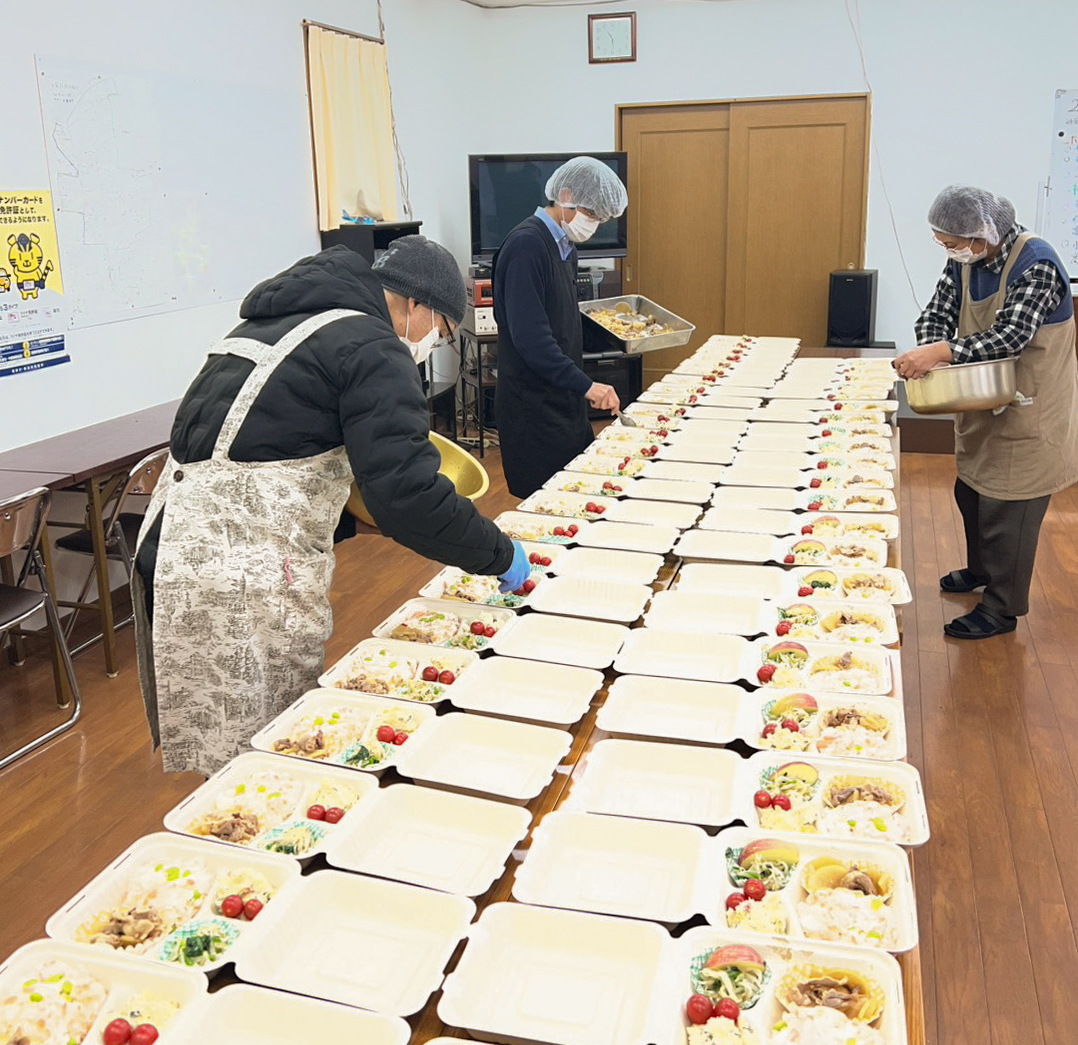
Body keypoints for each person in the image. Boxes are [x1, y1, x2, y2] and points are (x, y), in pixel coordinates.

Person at [132, 237, 531, 775]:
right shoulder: (374, 346)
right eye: (440, 332)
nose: (433, 345)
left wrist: (346, 518)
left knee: (237, 742)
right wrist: (498, 554)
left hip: (181, 546)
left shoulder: (287, 318)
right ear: (416, 304)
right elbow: (407, 496)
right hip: (240, 569)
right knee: (266, 749)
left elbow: (281, 448)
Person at [895, 185, 1078, 639]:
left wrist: (940, 352)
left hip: (1029, 410)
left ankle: (1001, 608)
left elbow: (1007, 339)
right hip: (984, 402)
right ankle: (982, 572)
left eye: (953, 244)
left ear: (983, 233)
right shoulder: (967, 260)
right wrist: (928, 344)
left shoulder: (1036, 264)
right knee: (972, 494)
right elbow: (937, 312)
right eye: (944, 244)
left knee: (1008, 515)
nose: (950, 252)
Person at [492, 156, 629, 498]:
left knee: (579, 493)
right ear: (565, 195)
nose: (594, 223)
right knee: (547, 510)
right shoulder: (527, 245)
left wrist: (623, 331)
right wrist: (588, 386)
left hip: (563, 401)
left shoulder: (564, 246)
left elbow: (564, 322)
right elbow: (532, 340)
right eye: (592, 214)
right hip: (533, 410)